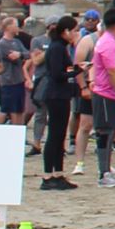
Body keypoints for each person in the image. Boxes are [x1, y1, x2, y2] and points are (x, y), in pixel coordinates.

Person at [89, 7, 115, 188]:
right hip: (106, 93)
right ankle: (103, 173)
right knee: (105, 133)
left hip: (110, 93)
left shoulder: (111, 41)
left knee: (110, 131)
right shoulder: (107, 43)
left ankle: (106, 171)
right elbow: (112, 70)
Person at [34, 17, 77, 190]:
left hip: (60, 94)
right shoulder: (57, 48)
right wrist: (78, 70)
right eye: (73, 31)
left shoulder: (60, 47)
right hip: (56, 95)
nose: (75, 34)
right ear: (65, 31)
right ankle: (48, 175)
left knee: (59, 135)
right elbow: (58, 74)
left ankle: (57, 173)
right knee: (54, 135)